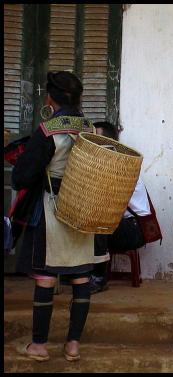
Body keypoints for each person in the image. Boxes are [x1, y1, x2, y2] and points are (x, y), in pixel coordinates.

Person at [12, 71, 95, 362]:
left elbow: (24, 175)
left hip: (53, 207)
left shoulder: (48, 130)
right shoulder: (89, 129)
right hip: (83, 208)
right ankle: (73, 345)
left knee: (46, 276)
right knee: (81, 275)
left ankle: (39, 345)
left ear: (51, 97)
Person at [89, 121, 151, 294]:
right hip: (123, 225)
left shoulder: (118, 168)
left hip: (134, 230)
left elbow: (106, 206)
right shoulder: (103, 166)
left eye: (96, 139)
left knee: (98, 222)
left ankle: (99, 278)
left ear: (108, 143)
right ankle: (78, 272)